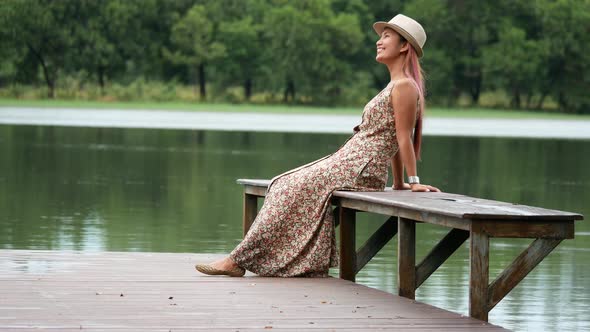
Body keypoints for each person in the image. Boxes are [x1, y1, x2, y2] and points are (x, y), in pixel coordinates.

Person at [195, 14, 440, 278]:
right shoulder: (395, 85)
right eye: (381, 36)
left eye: (387, 36)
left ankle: (239, 261)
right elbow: (393, 137)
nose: (379, 42)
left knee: (289, 188)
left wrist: (413, 181)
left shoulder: (404, 87)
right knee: (280, 184)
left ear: (404, 46)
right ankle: (263, 259)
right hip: (350, 161)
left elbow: (402, 137)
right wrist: (400, 183)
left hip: (359, 168)